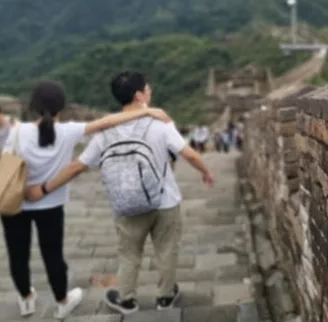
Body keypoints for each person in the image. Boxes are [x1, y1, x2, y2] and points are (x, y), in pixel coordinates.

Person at [26, 71, 215, 315]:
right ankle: (165, 297)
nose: (150, 90)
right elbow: (188, 154)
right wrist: (205, 172)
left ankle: (126, 300)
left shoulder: (106, 131)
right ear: (139, 96)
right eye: (147, 88)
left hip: (127, 205)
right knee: (166, 250)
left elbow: (77, 167)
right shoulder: (160, 123)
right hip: (165, 200)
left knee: (129, 254)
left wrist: (44, 189)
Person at [0, 80, 170, 319]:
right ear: (61, 107)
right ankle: (62, 302)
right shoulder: (68, 131)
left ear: (34, 106)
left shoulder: (18, 132)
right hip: (50, 205)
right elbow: (108, 121)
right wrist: (147, 111)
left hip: (15, 203)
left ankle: (26, 300)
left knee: (17, 255)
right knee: (53, 255)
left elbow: (6, 164)